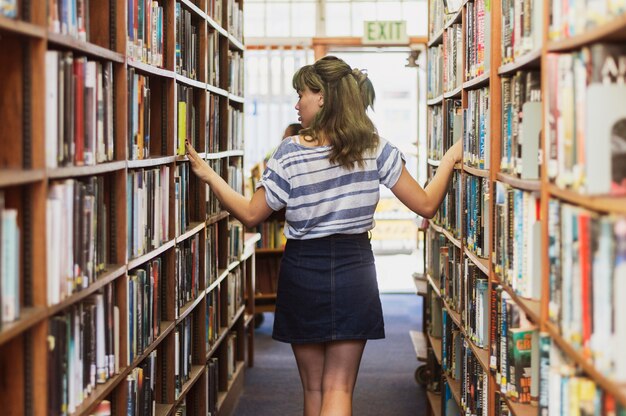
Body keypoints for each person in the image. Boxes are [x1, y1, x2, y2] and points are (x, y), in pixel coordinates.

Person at [186, 55, 462, 416]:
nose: (296, 103)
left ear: (322, 96)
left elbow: (252, 215)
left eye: (301, 93)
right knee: (339, 388)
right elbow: (425, 204)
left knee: (313, 390)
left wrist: (209, 176)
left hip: (302, 269)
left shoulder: (289, 152)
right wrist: (447, 162)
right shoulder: (374, 147)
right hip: (355, 269)